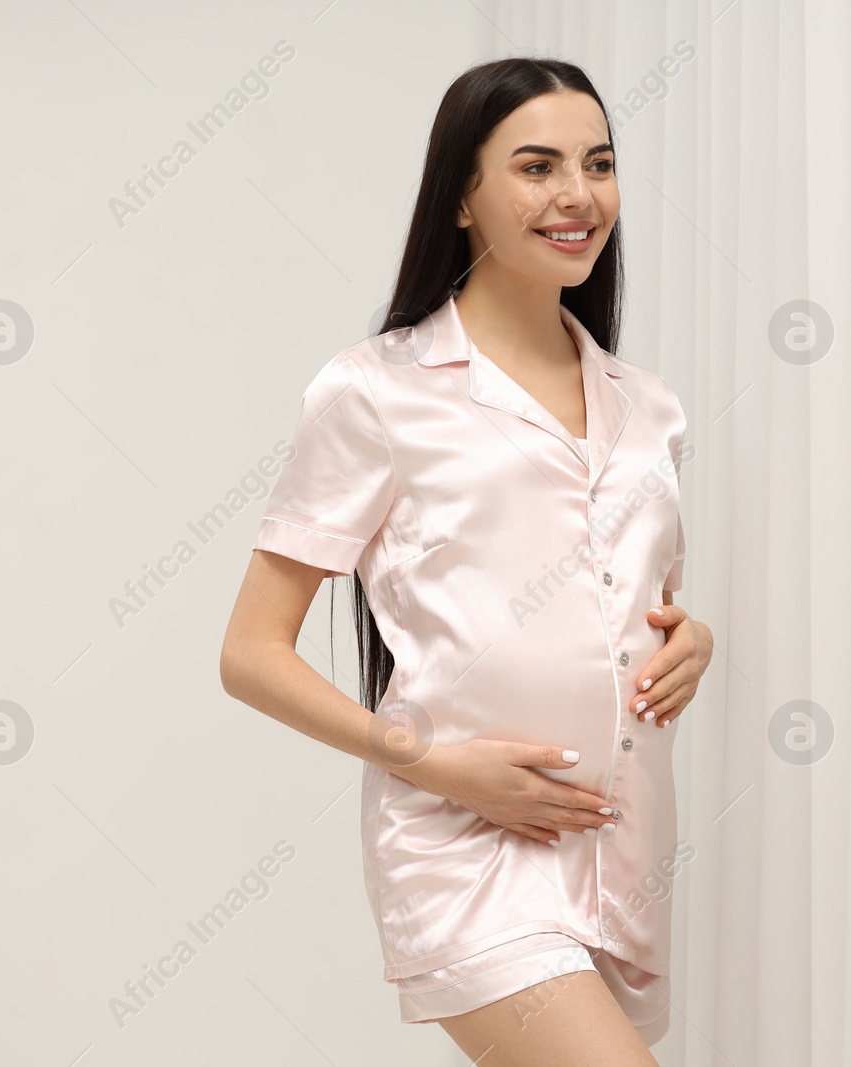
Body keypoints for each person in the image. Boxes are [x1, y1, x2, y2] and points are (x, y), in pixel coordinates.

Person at [219, 56, 713, 1066]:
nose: (577, 195)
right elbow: (250, 653)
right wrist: (433, 762)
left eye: (599, 163)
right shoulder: (375, 392)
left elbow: (633, 597)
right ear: (460, 197)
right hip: (465, 852)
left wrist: (693, 637)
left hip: (619, 848)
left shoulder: (646, 403)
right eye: (536, 167)